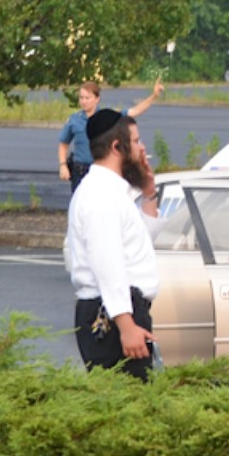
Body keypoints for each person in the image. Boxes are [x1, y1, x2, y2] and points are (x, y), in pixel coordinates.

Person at [63, 109, 161, 380]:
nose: (142, 148)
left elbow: (138, 248)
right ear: (117, 147)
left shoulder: (113, 192)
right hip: (110, 316)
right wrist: (126, 325)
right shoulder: (100, 196)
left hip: (121, 312)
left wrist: (149, 194)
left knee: (136, 404)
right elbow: (108, 263)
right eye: (137, 141)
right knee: (128, 407)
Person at [58, 78, 164, 191]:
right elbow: (64, 144)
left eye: (87, 98)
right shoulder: (74, 120)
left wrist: (154, 95)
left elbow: (134, 111)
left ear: (97, 99)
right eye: (81, 98)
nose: (84, 101)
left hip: (102, 170)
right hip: (80, 172)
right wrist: (63, 165)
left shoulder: (107, 118)